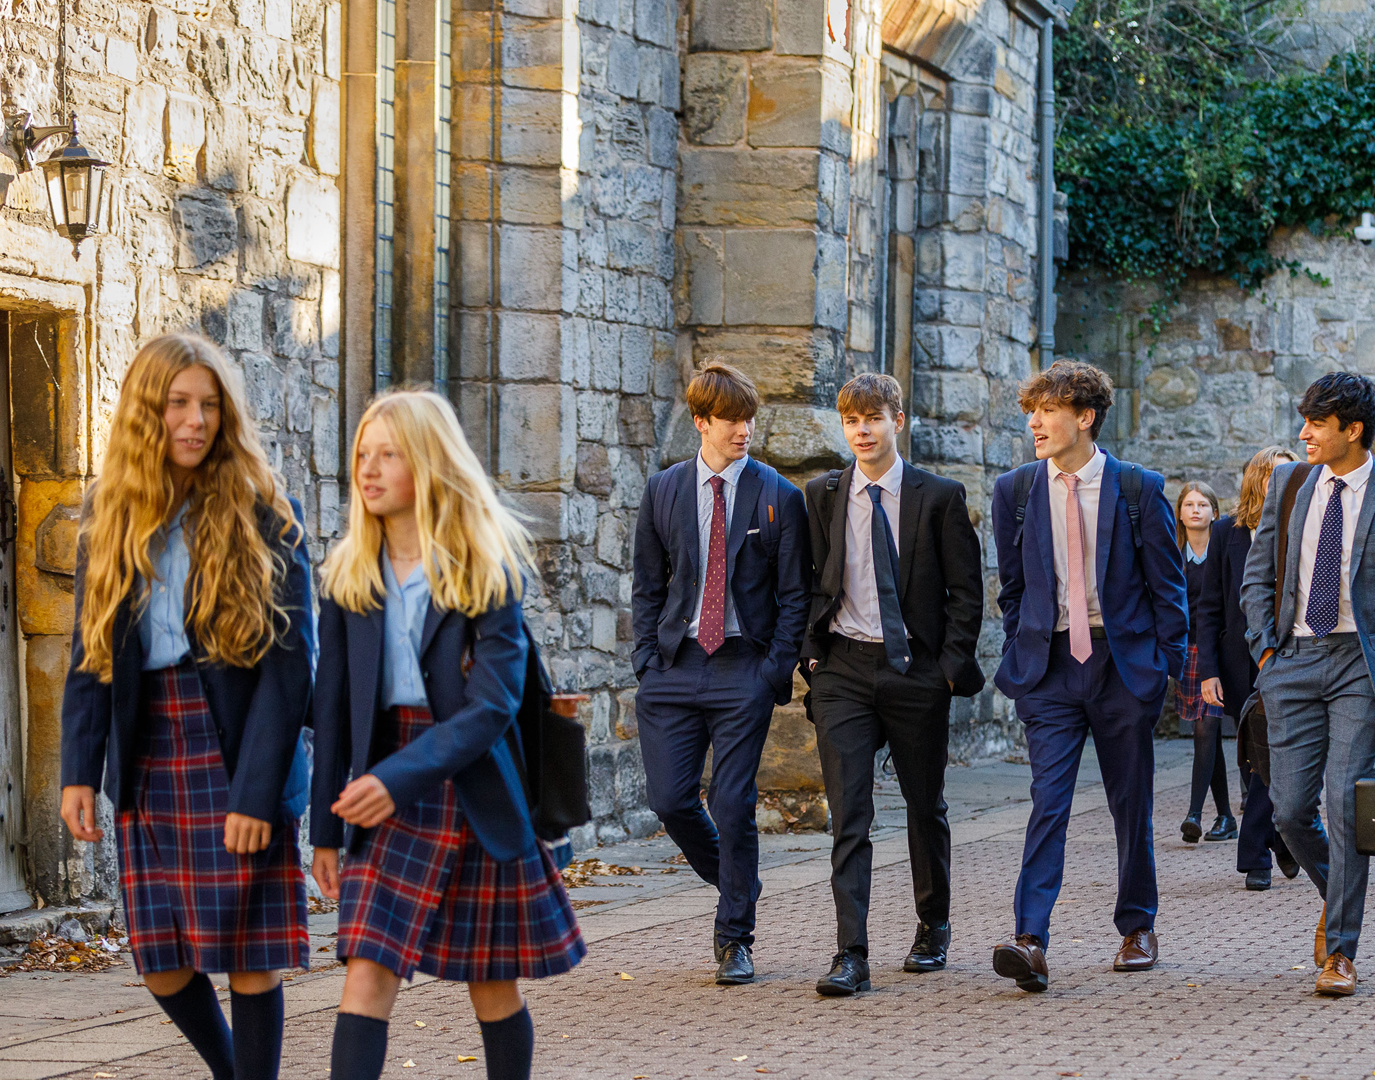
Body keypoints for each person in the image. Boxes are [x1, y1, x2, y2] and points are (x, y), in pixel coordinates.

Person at [59, 334, 313, 1080]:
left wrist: (257, 791)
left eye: (208, 404)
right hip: (148, 753)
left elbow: (291, 668)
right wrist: (80, 769)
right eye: (178, 404)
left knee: (249, 957)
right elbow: (88, 650)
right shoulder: (111, 513)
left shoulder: (265, 509)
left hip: (235, 746)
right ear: (148, 412)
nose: (195, 420)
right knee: (159, 958)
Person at [311, 391, 584, 1080]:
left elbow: (491, 708)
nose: (368, 470)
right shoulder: (348, 573)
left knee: (490, 982)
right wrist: (323, 831)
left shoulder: (486, 570)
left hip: (472, 792)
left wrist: (392, 781)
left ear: (429, 463)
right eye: (362, 456)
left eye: (388, 455)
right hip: (383, 800)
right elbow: (334, 707)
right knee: (365, 973)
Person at [988, 360, 1186, 993]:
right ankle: (1030, 938)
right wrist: (1025, 643)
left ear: (1085, 417)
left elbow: (1168, 588)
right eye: (1032, 410)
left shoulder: (1136, 488)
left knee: (1131, 803)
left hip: (1120, 666)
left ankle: (1137, 925)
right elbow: (1012, 590)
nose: (1035, 422)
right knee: (1049, 800)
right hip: (1047, 669)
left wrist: (1163, 669)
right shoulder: (1014, 491)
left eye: (1048, 410)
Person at [1241, 371, 1375, 998]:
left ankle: (1341, 952)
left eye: (1317, 423)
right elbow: (1258, 572)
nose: (1304, 433)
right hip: (1291, 660)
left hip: (1358, 667)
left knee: (1346, 810)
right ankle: (1337, 896)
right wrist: (1265, 649)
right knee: (1290, 810)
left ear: (1352, 430)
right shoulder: (1291, 486)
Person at [800, 374, 984, 996]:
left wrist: (947, 671)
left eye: (873, 419)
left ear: (896, 422)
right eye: (851, 421)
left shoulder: (939, 497)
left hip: (914, 672)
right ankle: (850, 952)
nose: (861, 431)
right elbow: (806, 582)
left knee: (923, 804)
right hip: (844, 670)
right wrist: (813, 660)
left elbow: (966, 593)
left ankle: (933, 925)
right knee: (850, 813)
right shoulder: (822, 494)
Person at [628, 362, 809, 983]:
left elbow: (795, 596)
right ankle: (739, 879)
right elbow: (648, 586)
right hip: (675, 667)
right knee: (670, 800)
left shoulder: (779, 495)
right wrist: (647, 663)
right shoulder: (665, 490)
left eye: (749, 419)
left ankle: (735, 936)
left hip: (741, 668)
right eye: (732, 420)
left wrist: (771, 671)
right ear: (701, 422)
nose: (744, 430)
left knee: (732, 802)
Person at [1193, 448, 1303, 891]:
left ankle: (1254, 849)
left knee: (1274, 752)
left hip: (1291, 656)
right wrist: (1208, 671)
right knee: (1255, 755)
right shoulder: (1226, 532)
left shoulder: (1305, 529)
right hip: (1237, 662)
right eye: (1278, 475)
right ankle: (1281, 836)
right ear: (1258, 481)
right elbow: (1209, 606)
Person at [1175, 479, 1235, 844]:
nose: (1195, 510)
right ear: (1180, 513)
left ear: (1214, 512)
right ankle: (1226, 816)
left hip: (1215, 652)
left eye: (1202, 505)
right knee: (1206, 734)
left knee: (1206, 728)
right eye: (1188, 505)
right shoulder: (1172, 555)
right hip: (1186, 652)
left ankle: (1194, 813)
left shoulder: (1223, 549)